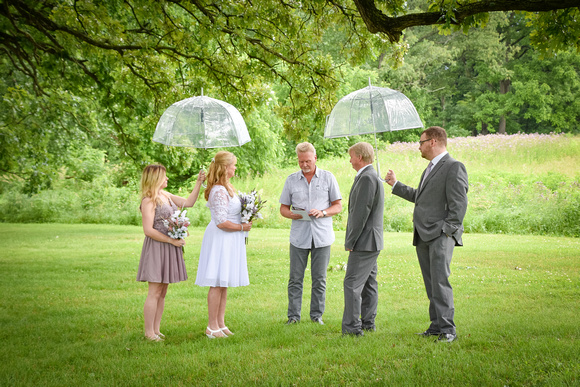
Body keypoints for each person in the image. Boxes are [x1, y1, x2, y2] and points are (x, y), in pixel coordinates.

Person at [385, 126, 468, 343]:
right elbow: (421, 197)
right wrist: (396, 185)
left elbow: (458, 205)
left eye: (421, 142)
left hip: (440, 235)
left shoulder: (453, 167)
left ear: (433, 142)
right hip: (423, 235)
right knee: (431, 283)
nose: (418, 147)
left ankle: (448, 330)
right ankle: (436, 326)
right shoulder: (430, 168)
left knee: (440, 281)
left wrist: (446, 231)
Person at [137, 164, 206, 342]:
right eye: (164, 176)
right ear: (155, 178)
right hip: (157, 247)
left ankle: (156, 330)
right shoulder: (149, 200)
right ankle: (148, 332)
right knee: (154, 291)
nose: (167, 179)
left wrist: (198, 182)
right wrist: (171, 240)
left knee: (162, 291)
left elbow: (188, 203)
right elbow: (148, 230)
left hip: (170, 247)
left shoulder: (166, 195)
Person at [279, 142, 342, 325]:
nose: (304, 165)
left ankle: (316, 316)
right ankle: (293, 317)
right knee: (295, 278)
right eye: (300, 162)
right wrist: (292, 214)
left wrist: (322, 212)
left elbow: (338, 206)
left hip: (322, 236)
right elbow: (283, 208)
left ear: (315, 158)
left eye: (307, 161)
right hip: (299, 237)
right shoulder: (291, 180)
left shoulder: (328, 178)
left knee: (319, 279)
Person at [195, 151, 252, 338]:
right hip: (221, 239)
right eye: (233, 165)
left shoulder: (227, 187)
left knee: (224, 282)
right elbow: (221, 222)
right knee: (217, 282)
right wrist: (242, 226)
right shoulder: (219, 190)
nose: (235, 167)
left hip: (230, 239)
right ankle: (211, 327)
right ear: (225, 167)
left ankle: (220, 322)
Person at [342, 142, 384, 336]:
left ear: (359, 157)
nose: (350, 160)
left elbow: (360, 213)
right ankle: (368, 323)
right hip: (371, 241)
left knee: (352, 283)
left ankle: (352, 328)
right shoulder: (368, 176)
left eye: (351, 157)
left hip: (364, 241)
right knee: (368, 283)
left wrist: (350, 241)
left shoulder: (367, 178)